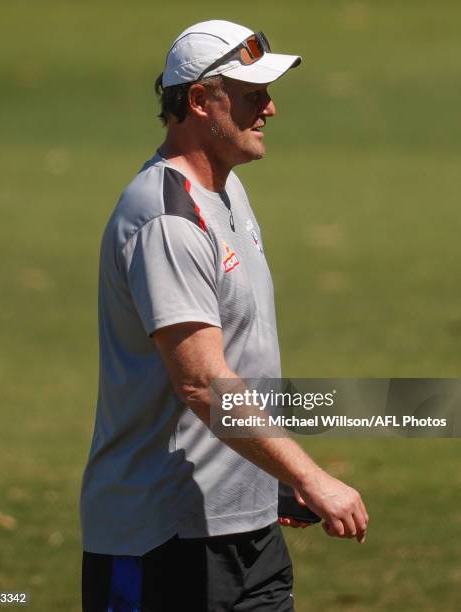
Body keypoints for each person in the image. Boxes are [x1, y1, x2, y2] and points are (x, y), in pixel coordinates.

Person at [80, 19, 369, 612]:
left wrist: (273, 475)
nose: (270, 109)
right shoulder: (168, 219)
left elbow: (241, 358)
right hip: (163, 540)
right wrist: (312, 475)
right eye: (251, 95)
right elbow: (202, 382)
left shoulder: (226, 190)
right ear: (198, 102)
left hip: (244, 527)